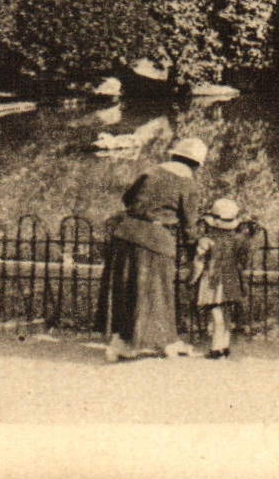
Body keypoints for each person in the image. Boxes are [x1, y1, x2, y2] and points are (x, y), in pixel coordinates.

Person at [97, 136, 208, 362]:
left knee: (126, 290)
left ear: (174, 155)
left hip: (126, 234)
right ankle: (163, 342)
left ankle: (120, 342)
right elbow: (189, 224)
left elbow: (127, 198)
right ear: (196, 164)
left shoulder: (151, 172)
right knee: (159, 294)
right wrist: (194, 250)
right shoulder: (188, 183)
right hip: (156, 240)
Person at [193, 196, 252, 359]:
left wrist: (193, 277)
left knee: (216, 312)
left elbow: (199, 260)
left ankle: (216, 347)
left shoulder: (207, 241)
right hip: (231, 278)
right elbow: (243, 259)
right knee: (226, 312)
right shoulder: (238, 240)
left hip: (213, 278)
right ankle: (225, 346)